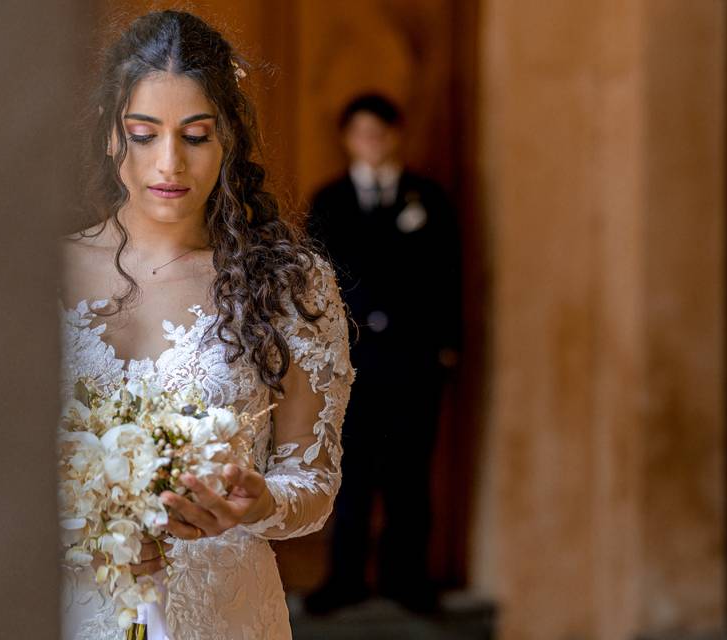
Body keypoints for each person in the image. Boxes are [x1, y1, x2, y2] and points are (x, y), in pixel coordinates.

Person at [57, 10, 354, 639]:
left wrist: (262, 501)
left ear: (229, 141)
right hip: (68, 606)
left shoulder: (289, 285)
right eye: (144, 134)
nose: (170, 164)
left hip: (222, 612)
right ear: (112, 135)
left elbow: (315, 481)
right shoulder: (39, 277)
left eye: (195, 136)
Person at [304, 94, 462, 615]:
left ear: (395, 135)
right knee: (350, 471)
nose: (371, 142)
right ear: (348, 139)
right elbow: (312, 284)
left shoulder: (429, 198)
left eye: (380, 132)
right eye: (361, 132)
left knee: (409, 473)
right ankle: (343, 577)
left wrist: (448, 347)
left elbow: (450, 276)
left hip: (414, 360)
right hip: (351, 362)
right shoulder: (327, 202)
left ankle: (406, 578)